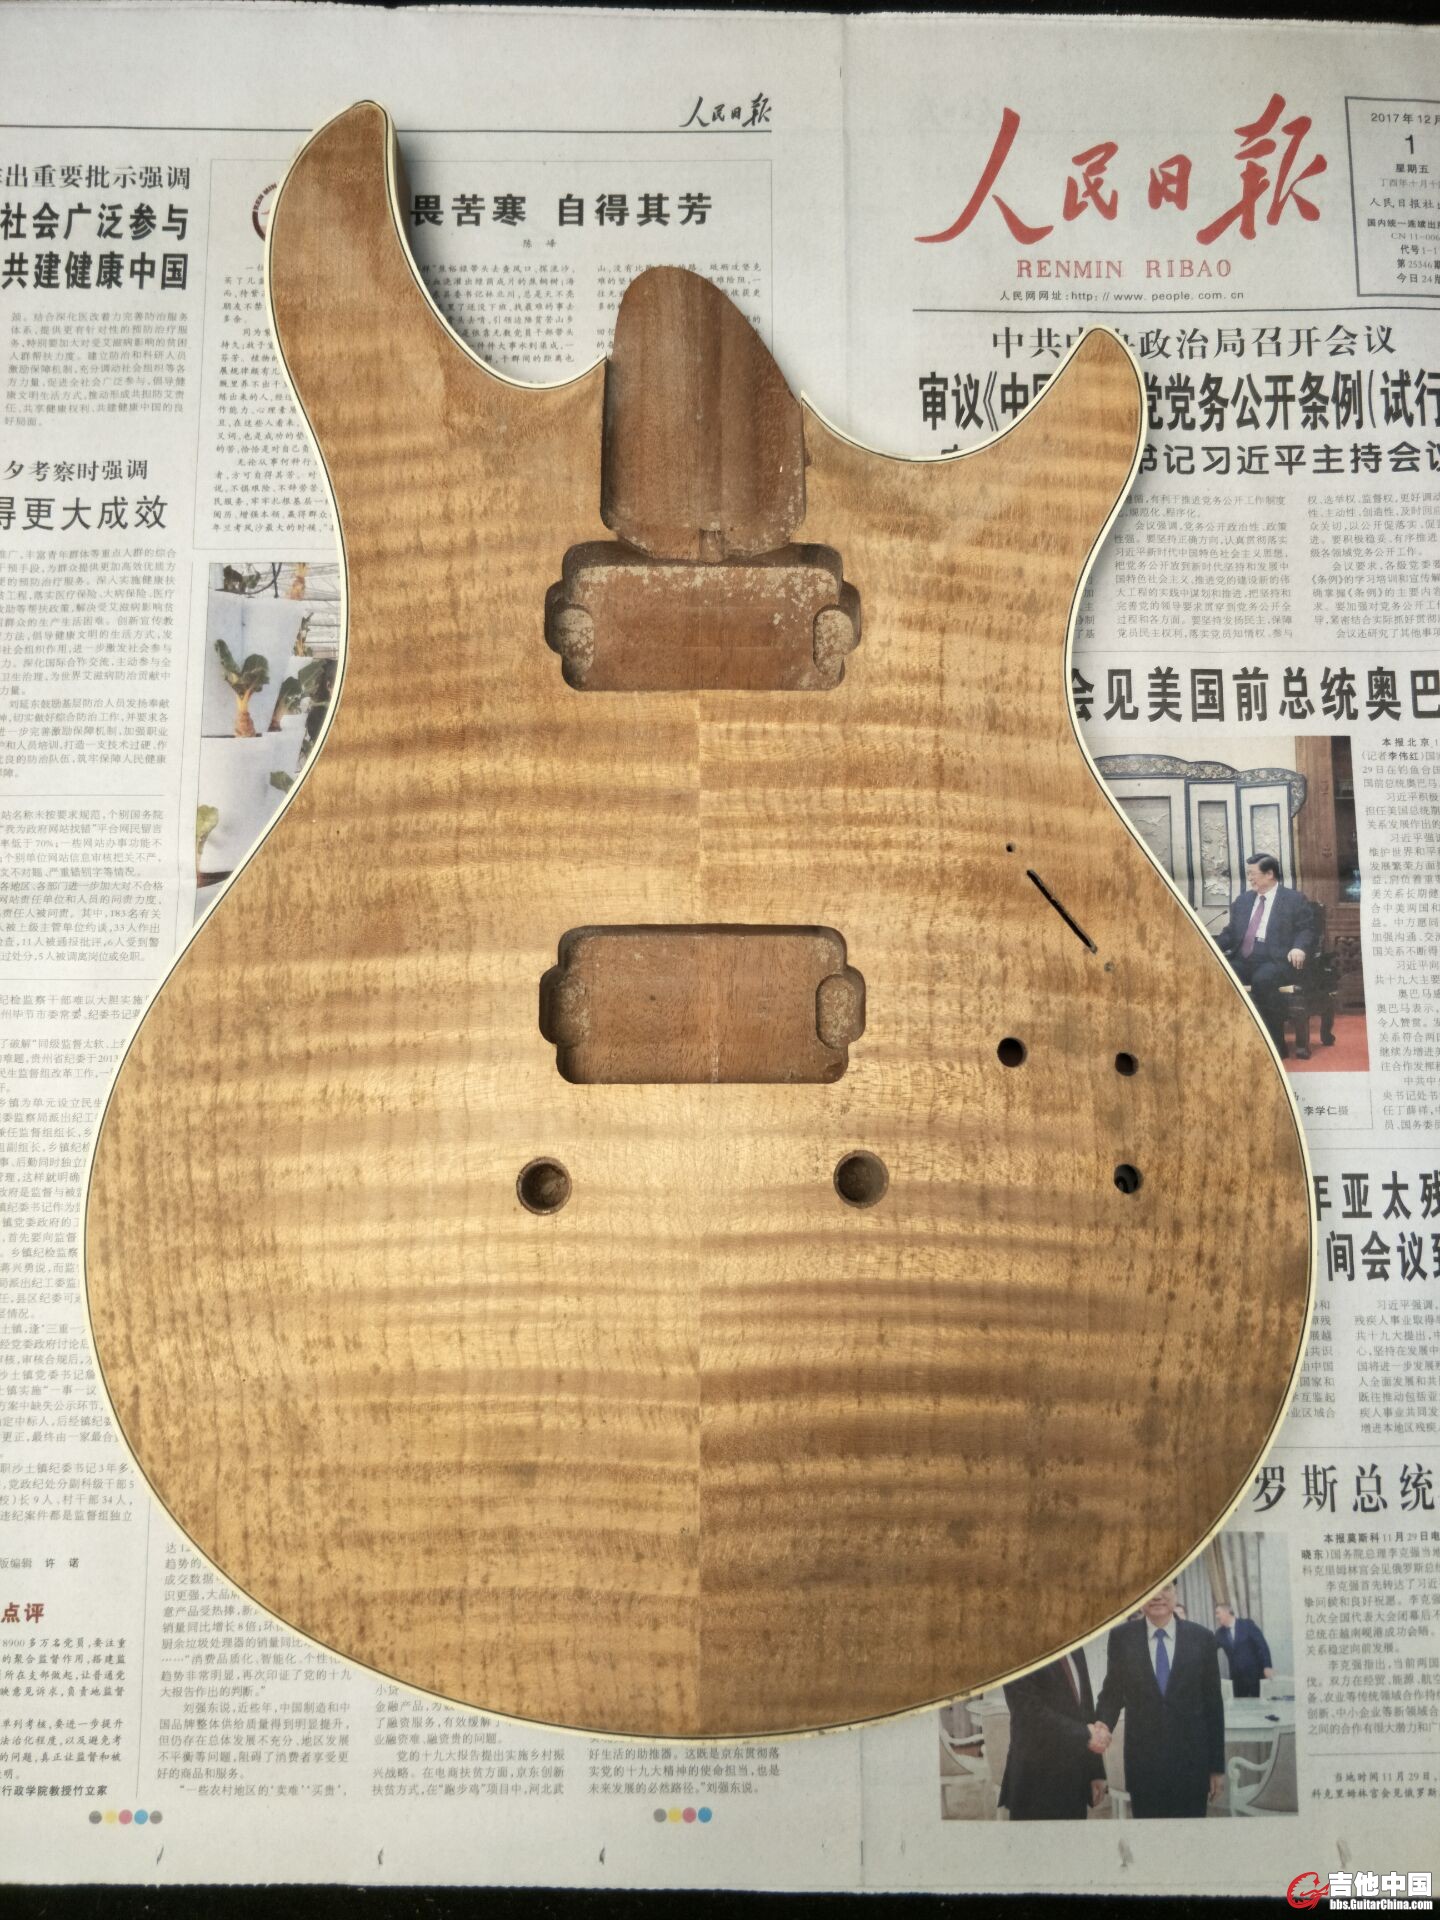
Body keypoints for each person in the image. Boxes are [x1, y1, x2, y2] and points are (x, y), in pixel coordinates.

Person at [1091, 1584, 1225, 1818]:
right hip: (1144, 1765)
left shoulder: (1202, 1638)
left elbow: (1213, 1705)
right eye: (1148, 1588)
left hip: (1192, 1765)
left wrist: (1216, 1767)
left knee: (1190, 1835)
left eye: (1165, 1588)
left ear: (1176, 1593)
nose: (1157, 1596)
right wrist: (1102, 1725)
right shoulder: (1122, 1637)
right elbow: (1112, 1692)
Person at [1214, 853, 1319, 1057]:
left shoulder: (1293, 899)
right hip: (1243, 958)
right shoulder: (1243, 901)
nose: (1249, 879)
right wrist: (1210, 947)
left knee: (1263, 980)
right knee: (1218, 975)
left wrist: (1299, 947)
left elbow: (1307, 929)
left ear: (1269, 874)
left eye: (1252, 874)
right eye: (1248, 874)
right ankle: (1233, 1040)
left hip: (1275, 959)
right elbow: (1230, 933)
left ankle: (1275, 1044)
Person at [997, 1650, 1107, 1820]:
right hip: (1035, 1785)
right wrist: (1085, 1734)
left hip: (1075, 1783)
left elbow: (1086, 1709)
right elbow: (1029, 1714)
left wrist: (1095, 1770)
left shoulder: (1075, 1648)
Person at [1214, 1602, 1273, 1698]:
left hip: (1255, 1676)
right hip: (1237, 1680)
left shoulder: (1247, 1625)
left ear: (1227, 1611)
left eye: (1218, 1613)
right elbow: (1209, 1649)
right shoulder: (1220, 1633)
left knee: (1258, 1704)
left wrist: (1267, 1666)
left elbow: (1262, 1645)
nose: (1216, 1616)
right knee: (1239, 1705)